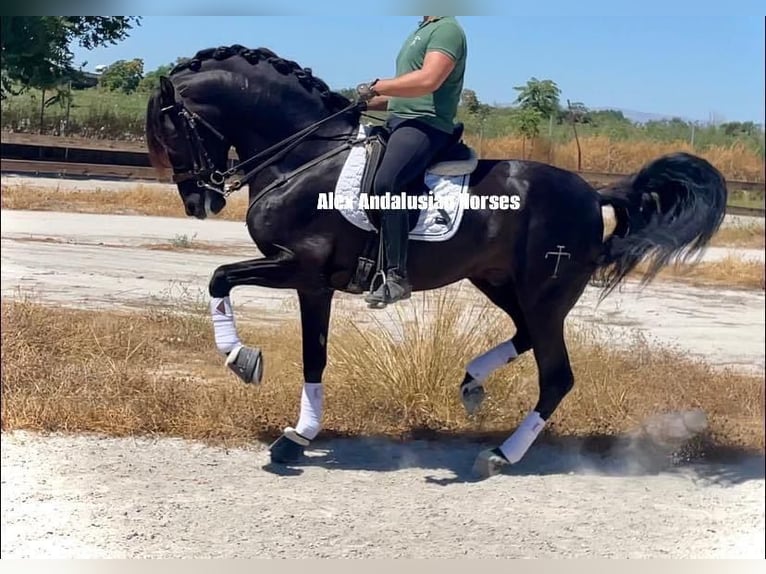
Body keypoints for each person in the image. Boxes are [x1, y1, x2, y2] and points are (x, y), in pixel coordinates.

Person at [356, 16, 467, 307]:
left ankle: (396, 276)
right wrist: (359, 103)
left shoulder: (447, 29)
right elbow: (401, 98)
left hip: (426, 125)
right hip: (400, 120)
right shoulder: (421, 30)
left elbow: (429, 81)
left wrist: (380, 85)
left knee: (388, 181)